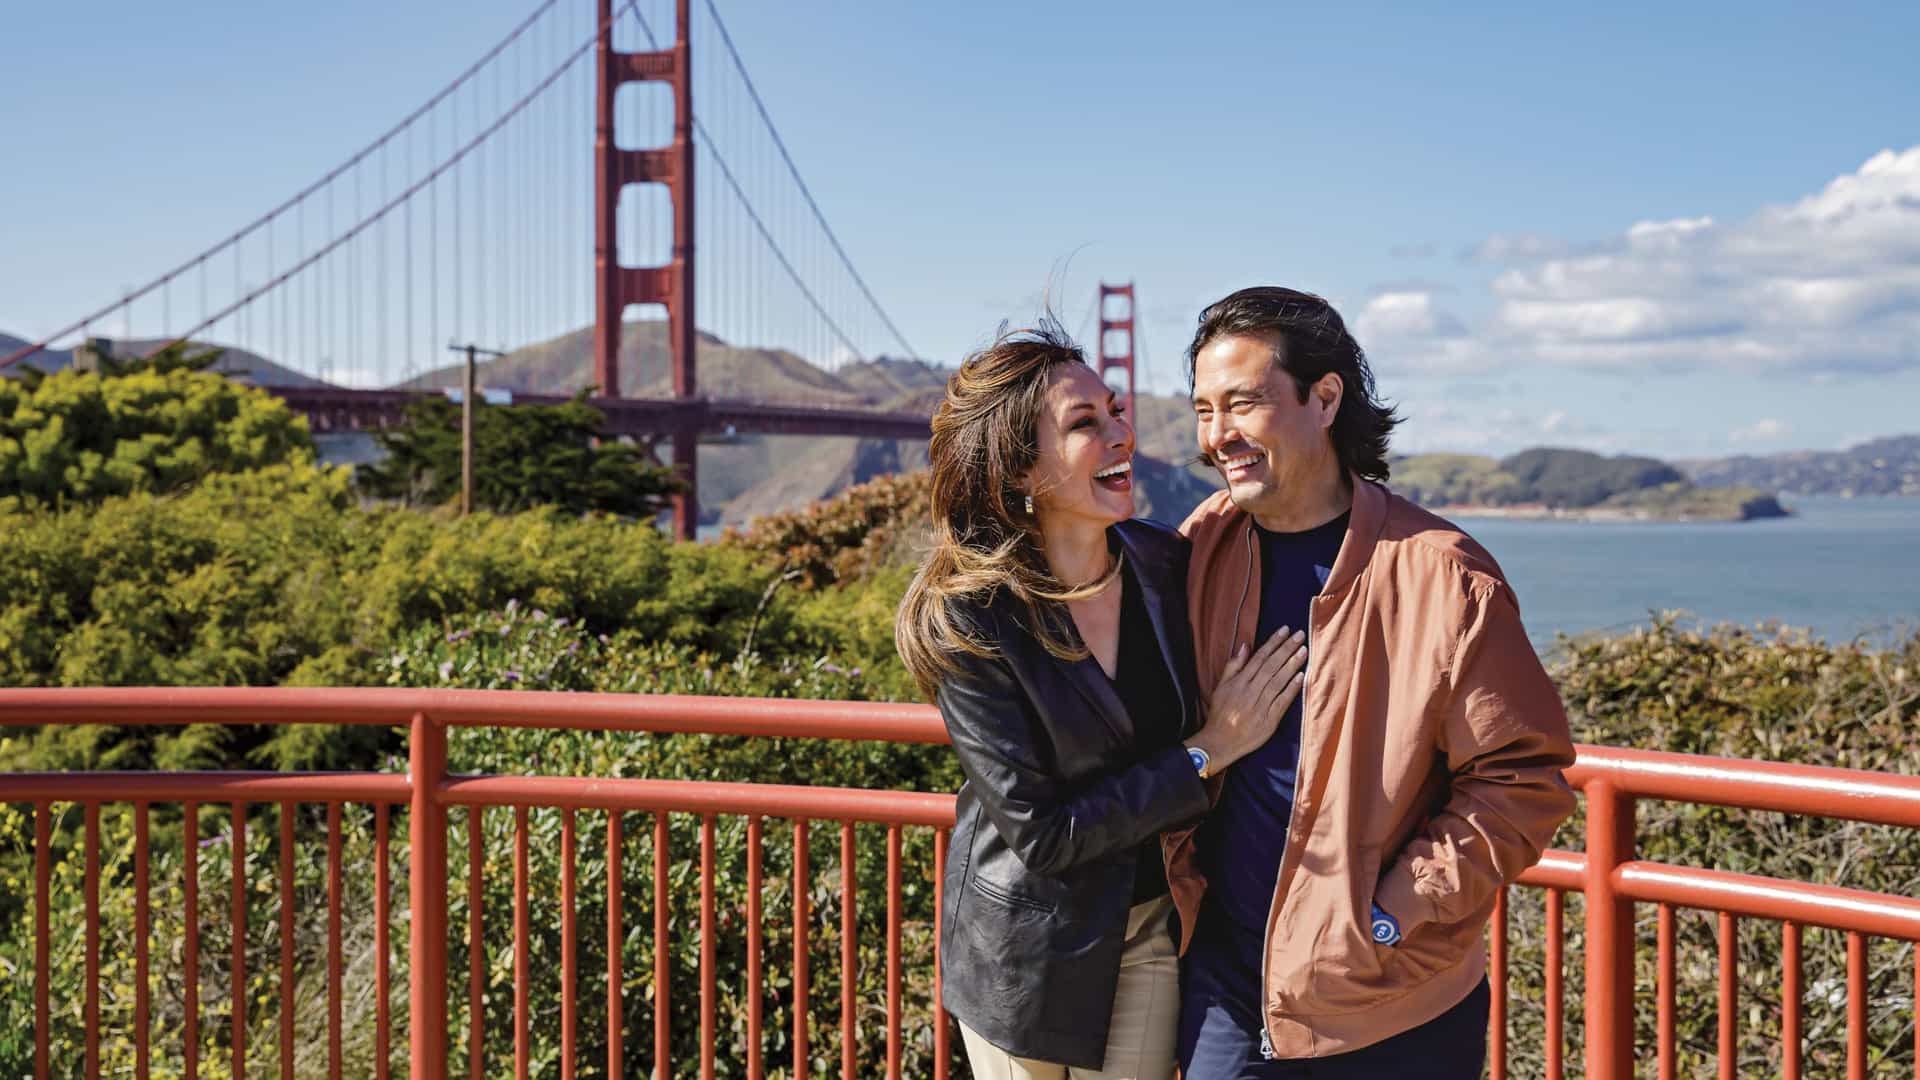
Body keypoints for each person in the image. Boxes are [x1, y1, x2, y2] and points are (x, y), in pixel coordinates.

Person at [1168, 287, 1577, 1078]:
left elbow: (1522, 779)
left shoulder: (1443, 576)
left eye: (1244, 403)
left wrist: (1391, 918)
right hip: (1228, 985)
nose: (1219, 436)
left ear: (1325, 398)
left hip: (1392, 1004)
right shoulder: (1200, 549)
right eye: (1203, 410)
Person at [896, 324, 1309, 1080]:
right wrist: (1209, 749)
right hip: (1022, 953)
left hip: (1147, 918)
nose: (1122, 434)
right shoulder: (973, 619)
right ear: (1020, 469)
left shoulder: (1168, 566)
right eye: (1086, 424)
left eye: (1116, 410)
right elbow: (1044, 835)